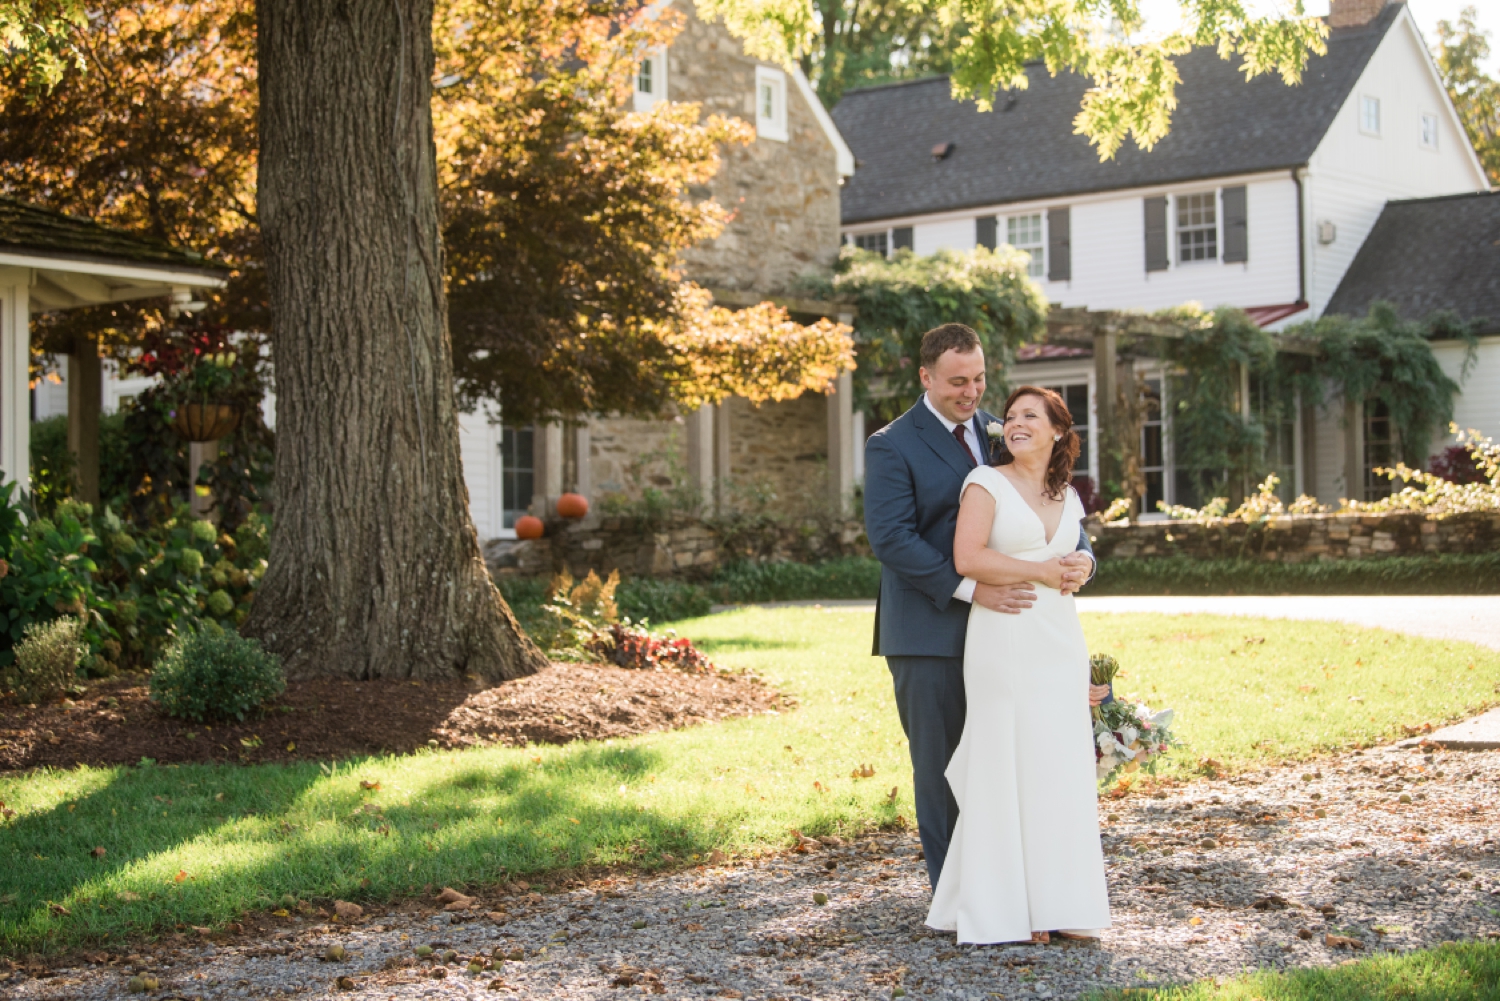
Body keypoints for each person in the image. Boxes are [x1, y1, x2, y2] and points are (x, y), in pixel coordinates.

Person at [863, 324, 1104, 894]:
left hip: (1011, 633)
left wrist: (1085, 562)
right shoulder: (891, 443)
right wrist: (974, 590)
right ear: (925, 377)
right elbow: (892, 539)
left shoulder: (1005, 429)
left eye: (979, 379)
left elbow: (1049, 497)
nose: (971, 393)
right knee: (945, 766)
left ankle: (1013, 886)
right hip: (929, 629)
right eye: (956, 383)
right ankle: (959, 896)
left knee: (1007, 760)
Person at [925, 383, 1112, 944]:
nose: (1015, 423)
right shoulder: (985, 483)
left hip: (1058, 636)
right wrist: (1043, 572)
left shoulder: (1069, 496)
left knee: (1058, 764)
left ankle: (1061, 901)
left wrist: (1080, 565)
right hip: (1004, 636)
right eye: (1010, 416)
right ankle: (1011, 907)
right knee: (1009, 758)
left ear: (1059, 431)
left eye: (1031, 415)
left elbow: (1074, 555)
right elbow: (968, 557)